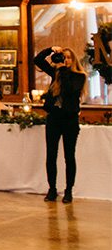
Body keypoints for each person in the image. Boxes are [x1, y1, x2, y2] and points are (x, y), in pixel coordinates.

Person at [34, 45, 86, 203]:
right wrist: (51, 50)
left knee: (69, 157)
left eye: (69, 58)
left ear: (73, 60)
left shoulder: (79, 76)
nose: (66, 60)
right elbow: (37, 60)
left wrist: (63, 70)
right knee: (51, 155)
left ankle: (68, 190)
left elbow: (70, 90)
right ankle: (52, 189)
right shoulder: (56, 73)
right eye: (64, 57)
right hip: (54, 118)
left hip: (69, 120)